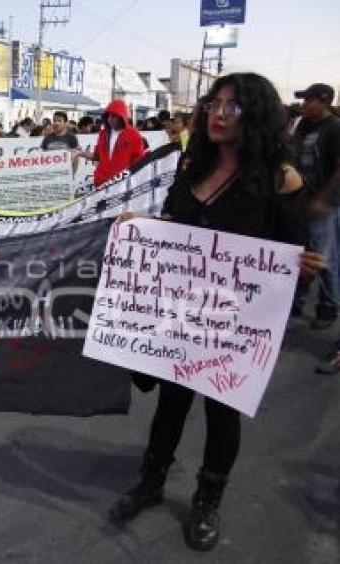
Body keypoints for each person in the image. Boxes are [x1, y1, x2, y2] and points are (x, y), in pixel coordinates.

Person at [110, 73, 323, 552]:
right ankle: (150, 482)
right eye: (214, 104)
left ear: (259, 116)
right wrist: (143, 227)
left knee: (222, 412)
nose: (219, 114)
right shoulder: (191, 165)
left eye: (234, 106)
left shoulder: (280, 179)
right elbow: (174, 228)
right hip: (180, 316)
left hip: (235, 326)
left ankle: (207, 500)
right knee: (170, 403)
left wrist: (303, 267)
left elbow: (289, 255)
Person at [291, 84, 340, 332]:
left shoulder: (334, 128)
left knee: (324, 257)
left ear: (324, 101)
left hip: (324, 205)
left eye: (308, 100)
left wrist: (323, 198)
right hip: (301, 200)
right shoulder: (304, 125)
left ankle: (328, 306)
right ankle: (295, 301)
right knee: (301, 255)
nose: (303, 105)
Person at [90, 99, 145, 187]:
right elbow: (97, 156)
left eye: (114, 116)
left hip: (121, 183)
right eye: (108, 116)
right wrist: (81, 153)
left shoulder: (133, 135)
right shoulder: (103, 134)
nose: (110, 119)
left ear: (121, 117)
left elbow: (139, 160)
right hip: (101, 181)